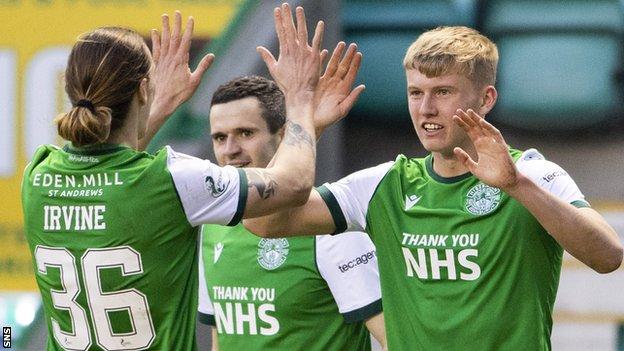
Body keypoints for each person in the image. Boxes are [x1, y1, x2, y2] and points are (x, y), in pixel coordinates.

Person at [245, 26, 624, 350]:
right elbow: (264, 221)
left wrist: (518, 186)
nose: (425, 108)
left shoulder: (533, 173)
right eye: (415, 92)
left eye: (443, 92)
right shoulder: (383, 184)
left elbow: (608, 256)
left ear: (486, 98)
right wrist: (307, 121)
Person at [21, 5, 331, 350]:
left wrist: (159, 105)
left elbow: (109, 167)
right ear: (142, 91)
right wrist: (301, 97)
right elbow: (295, 183)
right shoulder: (172, 178)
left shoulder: (38, 174)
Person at [198, 73, 385, 350]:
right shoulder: (213, 225)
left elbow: (395, 336)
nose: (230, 150)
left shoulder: (330, 228)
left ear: (285, 135)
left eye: (245, 133)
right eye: (219, 137)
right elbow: (221, 339)